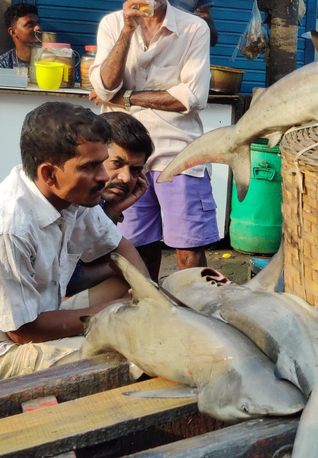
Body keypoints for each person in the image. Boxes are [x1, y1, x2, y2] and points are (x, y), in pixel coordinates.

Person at [0, 102, 149, 386]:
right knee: (131, 355)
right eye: (91, 166)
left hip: (40, 315)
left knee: (127, 282)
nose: (104, 176)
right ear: (48, 174)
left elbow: (121, 247)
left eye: (103, 161)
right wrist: (109, 313)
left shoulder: (72, 195)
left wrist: (149, 299)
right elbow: (21, 331)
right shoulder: (5, 228)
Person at [89, 0, 219, 282]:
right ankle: (149, 310)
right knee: (134, 247)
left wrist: (128, 97)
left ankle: (201, 312)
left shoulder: (194, 27)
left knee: (189, 249)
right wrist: (127, 31)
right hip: (124, 158)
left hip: (179, 152)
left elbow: (193, 97)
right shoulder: (112, 25)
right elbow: (104, 86)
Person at [66, 111, 153, 296]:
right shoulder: (76, 196)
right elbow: (69, 280)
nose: (126, 178)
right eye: (116, 163)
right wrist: (119, 267)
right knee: (127, 274)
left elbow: (98, 245)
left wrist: (114, 210)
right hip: (36, 312)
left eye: (136, 170)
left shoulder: (98, 201)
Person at [0, 3, 41, 69]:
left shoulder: (50, 59)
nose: (38, 28)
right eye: (30, 24)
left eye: (38, 23)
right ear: (12, 32)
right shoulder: (3, 65)